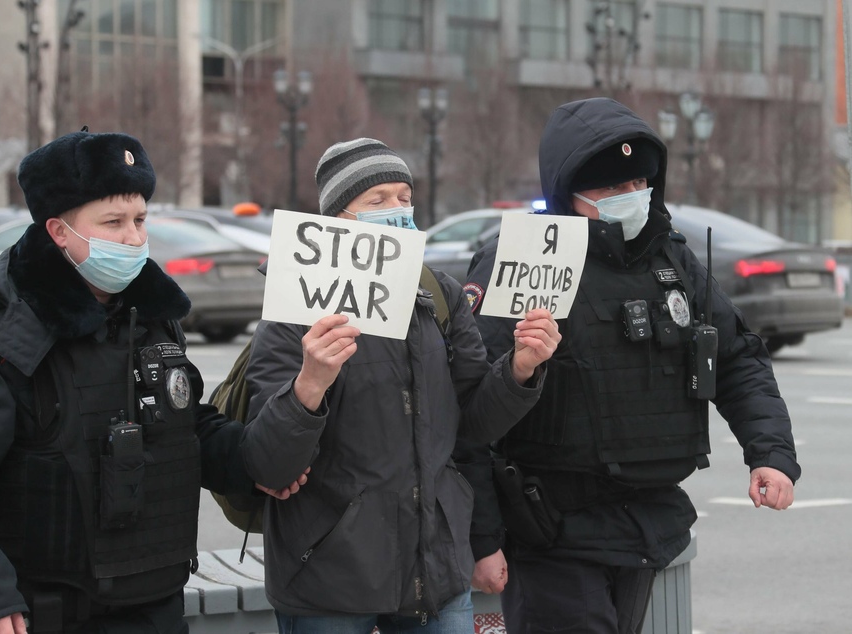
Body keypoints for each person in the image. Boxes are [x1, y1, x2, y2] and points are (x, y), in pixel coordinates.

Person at [0, 129, 302, 634]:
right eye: (113, 223)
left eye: (140, 220)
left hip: (155, 609)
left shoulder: (150, 318)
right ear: (59, 231)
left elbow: (187, 430)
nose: (135, 238)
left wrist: (257, 460)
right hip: (40, 615)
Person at [461, 97, 801, 634]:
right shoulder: (525, 259)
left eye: (637, 184)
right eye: (611, 189)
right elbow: (467, 417)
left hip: (645, 523)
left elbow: (737, 358)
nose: (630, 198)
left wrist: (771, 455)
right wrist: (482, 539)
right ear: (568, 193)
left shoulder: (671, 258)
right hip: (551, 529)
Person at [236, 137, 562, 633]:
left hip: (433, 566)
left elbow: (472, 422)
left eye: (404, 198)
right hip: (327, 576)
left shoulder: (438, 294)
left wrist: (520, 370)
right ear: (339, 219)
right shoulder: (295, 308)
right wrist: (310, 384)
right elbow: (268, 462)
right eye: (378, 200)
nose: (398, 211)